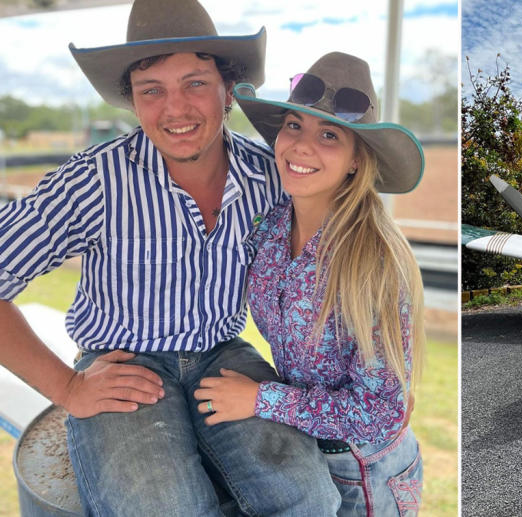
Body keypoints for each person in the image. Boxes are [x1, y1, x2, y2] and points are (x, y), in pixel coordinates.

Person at [0, 0, 341, 514]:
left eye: (195, 83)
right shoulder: (94, 179)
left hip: (224, 353)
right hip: (124, 362)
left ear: (228, 90)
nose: (175, 109)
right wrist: (69, 387)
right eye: (151, 90)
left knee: (308, 498)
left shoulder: (270, 177)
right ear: (132, 102)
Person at [193, 52, 426, 516]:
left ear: (357, 159)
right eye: (294, 125)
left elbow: (380, 411)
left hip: (365, 473)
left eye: (328, 135)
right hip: (305, 455)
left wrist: (261, 398)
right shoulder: (272, 227)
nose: (301, 146)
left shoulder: (371, 261)